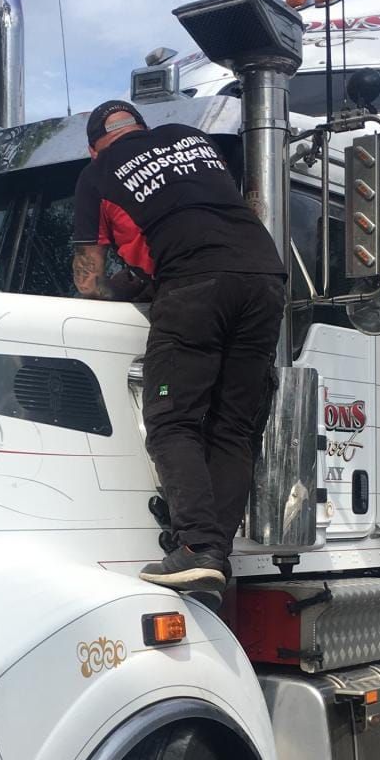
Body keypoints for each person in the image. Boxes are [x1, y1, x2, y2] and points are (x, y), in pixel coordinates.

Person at [72, 99, 285, 591]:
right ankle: (214, 551)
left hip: (193, 281)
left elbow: (88, 280)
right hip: (264, 274)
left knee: (172, 419)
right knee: (233, 424)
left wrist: (131, 287)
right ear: (141, 128)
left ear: (93, 147)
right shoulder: (191, 138)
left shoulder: (97, 173)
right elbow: (230, 208)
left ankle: (196, 547)